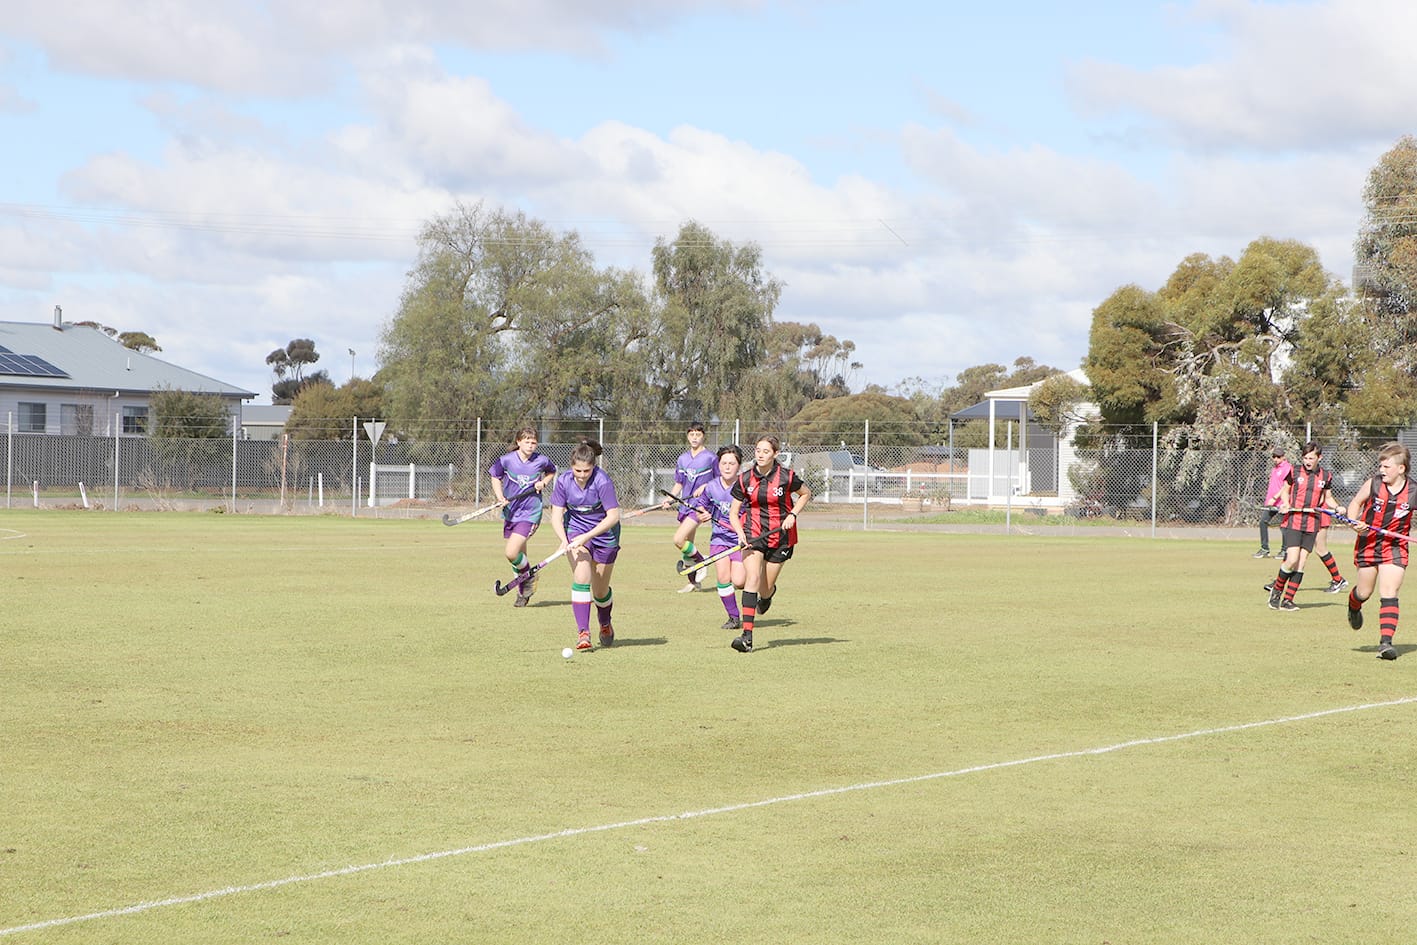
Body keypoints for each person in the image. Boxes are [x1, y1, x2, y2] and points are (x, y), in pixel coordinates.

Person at [727, 435, 811, 653]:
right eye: (757, 450)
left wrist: (792, 514)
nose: (760, 454)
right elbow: (734, 513)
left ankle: (767, 597)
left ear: (775, 454)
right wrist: (740, 534)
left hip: (781, 537)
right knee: (751, 579)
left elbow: (805, 494)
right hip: (753, 534)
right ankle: (747, 637)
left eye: (765, 451)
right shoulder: (745, 479)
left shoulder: (786, 476)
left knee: (764, 588)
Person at [1342, 442, 1413, 660]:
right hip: (1369, 542)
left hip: (1395, 546)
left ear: (1401, 468)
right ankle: (1353, 606)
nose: (1382, 470)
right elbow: (1355, 503)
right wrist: (1354, 523)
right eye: (1380, 466)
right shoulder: (1373, 484)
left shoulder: (1413, 490)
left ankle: (1385, 644)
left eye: (1387, 466)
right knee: (1364, 592)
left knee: (1389, 591)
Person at [550, 440, 622, 651]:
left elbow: (613, 516)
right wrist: (564, 540)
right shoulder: (563, 481)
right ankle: (583, 633)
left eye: (586, 470)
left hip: (604, 534)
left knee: (600, 591)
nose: (581, 475)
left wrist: (588, 536)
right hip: (576, 531)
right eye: (577, 470)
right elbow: (556, 515)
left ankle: (605, 623)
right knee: (582, 576)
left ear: (593, 466)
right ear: (571, 466)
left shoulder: (602, 481)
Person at [488, 427, 556, 608]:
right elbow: (495, 476)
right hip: (512, 512)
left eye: (534, 442)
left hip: (531, 512)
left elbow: (551, 471)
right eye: (527, 441)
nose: (531, 445)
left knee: (511, 552)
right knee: (520, 555)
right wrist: (500, 497)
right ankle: (522, 593)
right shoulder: (507, 460)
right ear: (518, 442)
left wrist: (543, 482)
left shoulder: (541, 460)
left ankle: (529, 577)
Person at [1267, 442, 1336, 612]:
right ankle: (1276, 592)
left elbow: (1328, 498)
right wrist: (1285, 503)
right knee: (1291, 559)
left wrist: (1338, 507)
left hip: (1312, 522)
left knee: (1301, 563)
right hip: (1294, 521)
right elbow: (1285, 490)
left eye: (1311, 458)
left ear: (1319, 458)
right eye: (1305, 458)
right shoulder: (1295, 471)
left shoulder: (1326, 476)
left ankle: (1288, 600)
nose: (1307, 461)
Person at [687, 444, 748, 629]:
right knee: (723, 577)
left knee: (739, 581)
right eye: (724, 463)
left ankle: (759, 585)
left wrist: (742, 530)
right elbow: (701, 507)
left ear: (739, 466)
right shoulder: (711, 486)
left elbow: (752, 511)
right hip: (720, 538)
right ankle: (733, 617)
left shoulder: (745, 486)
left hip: (740, 540)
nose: (727, 467)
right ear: (718, 465)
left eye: (732, 463)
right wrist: (702, 514)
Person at [663, 422, 719, 592]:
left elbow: (719, 480)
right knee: (688, 544)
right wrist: (669, 499)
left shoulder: (711, 458)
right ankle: (694, 582)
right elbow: (679, 483)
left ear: (703, 436)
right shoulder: (683, 459)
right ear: (688, 436)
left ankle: (702, 562)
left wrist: (705, 487)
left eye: (698, 434)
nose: (695, 438)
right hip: (685, 505)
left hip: (700, 506)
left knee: (678, 539)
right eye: (692, 434)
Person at [1255, 448, 1291, 558]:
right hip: (1271, 503)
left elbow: (1286, 486)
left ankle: (1285, 550)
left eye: (1278, 457)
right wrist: (1270, 499)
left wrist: (1275, 498)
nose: (1276, 459)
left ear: (1284, 457)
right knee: (1263, 522)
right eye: (1274, 457)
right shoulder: (1274, 469)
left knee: (1284, 526)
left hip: (1282, 502)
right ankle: (1264, 549)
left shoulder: (1288, 468)